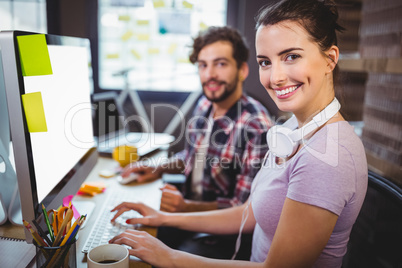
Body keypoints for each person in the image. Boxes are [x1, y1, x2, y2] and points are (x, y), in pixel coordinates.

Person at [109, 0, 368, 267]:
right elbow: (249, 211)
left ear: (330, 59)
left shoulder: (326, 157)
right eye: (266, 62)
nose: (276, 77)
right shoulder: (292, 129)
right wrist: (162, 216)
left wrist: (170, 257)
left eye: (291, 56)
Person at [121, 26, 272, 213]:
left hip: (218, 236)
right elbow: (193, 157)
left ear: (242, 70)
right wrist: (158, 168)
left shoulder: (257, 126)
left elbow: (244, 209)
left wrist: (185, 207)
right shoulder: (204, 104)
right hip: (188, 212)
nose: (210, 74)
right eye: (203, 65)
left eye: (221, 64)